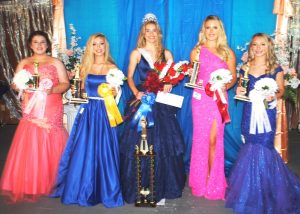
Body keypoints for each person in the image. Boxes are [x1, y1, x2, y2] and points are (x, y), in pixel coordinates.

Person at [225, 33, 300, 213]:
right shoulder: (245, 66)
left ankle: (267, 190)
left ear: (269, 47)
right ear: (251, 47)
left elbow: (281, 91)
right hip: (249, 112)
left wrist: (272, 94)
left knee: (264, 146)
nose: (258, 48)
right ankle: (249, 190)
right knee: (249, 145)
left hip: (266, 112)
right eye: (255, 45)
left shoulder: (276, 68)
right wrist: (241, 89)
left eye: (262, 45)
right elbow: (241, 88)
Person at [51, 33, 124, 208]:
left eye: (102, 44)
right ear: (90, 47)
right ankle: (82, 188)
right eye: (95, 44)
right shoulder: (84, 67)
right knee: (85, 149)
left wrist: (115, 93)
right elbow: (81, 91)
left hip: (106, 112)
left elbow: (117, 92)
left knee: (105, 149)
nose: (99, 47)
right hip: (89, 113)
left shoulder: (112, 67)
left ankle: (107, 190)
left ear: (106, 47)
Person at [120, 13, 186, 205]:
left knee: (162, 144)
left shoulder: (166, 54)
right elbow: (129, 76)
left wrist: (169, 85)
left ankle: (161, 188)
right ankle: (139, 187)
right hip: (142, 102)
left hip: (161, 103)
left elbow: (171, 78)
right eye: (147, 31)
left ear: (159, 33)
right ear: (143, 33)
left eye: (154, 31)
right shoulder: (136, 53)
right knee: (141, 142)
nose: (151, 34)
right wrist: (136, 92)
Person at [0, 30, 69, 202]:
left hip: (51, 103)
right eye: (36, 42)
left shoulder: (55, 62)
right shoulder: (24, 62)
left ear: (47, 45)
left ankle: (57, 179)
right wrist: (20, 85)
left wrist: (51, 89)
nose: (39, 45)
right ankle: (31, 181)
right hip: (31, 104)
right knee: (31, 138)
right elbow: (15, 85)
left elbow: (65, 83)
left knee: (51, 135)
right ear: (30, 45)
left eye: (43, 42)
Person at [189, 15, 236, 200]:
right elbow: (192, 77)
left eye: (215, 27)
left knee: (214, 140)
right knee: (201, 139)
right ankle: (200, 180)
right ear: (203, 30)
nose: (211, 31)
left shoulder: (227, 53)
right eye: (208, 27)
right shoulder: (197, 51)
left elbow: (232, 77)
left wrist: (225, 86)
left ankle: (213, 180)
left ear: (220, 30)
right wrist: (197, 83)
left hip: (218, 100)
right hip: (201, 101)